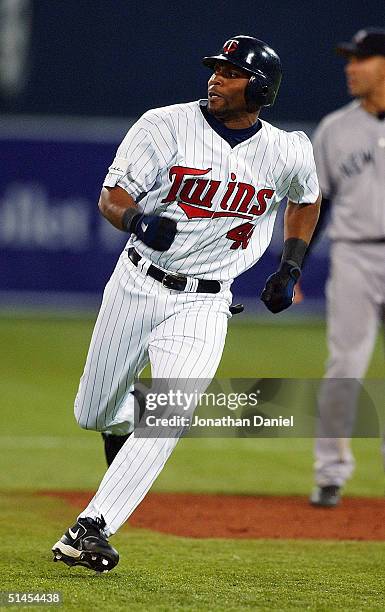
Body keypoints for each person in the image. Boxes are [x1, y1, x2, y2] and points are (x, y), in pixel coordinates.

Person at [51, 35, 320, 572]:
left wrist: (290, 266)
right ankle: (121, 423)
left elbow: (306, 198)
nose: (216, 77)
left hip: (206, 303)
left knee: (169, 413)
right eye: (215, 68)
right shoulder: (165, 125)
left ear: (260, 87)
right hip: (137, 284)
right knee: (94, 411)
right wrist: (136, 220)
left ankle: (91, 529)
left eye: (230, 71)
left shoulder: (287, 149)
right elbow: (113, 198)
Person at [309, 28, 385, 508]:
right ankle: (329, 474)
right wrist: (290, 267)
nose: (350, 67)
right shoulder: (335, 128)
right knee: (345, 366)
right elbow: (314, 203)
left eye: (361, 59)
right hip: (355, 254)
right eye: (349, 59)